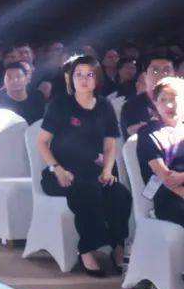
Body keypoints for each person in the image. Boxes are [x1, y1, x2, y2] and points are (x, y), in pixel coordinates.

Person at [36, 55, 131, 277]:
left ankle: (117, 246)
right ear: (71, 79)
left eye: (89, 74)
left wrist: (107, 170)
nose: (84, 79)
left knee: (120, 194)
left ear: (97, 78)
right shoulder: (60, 104)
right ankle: (86, 249)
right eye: (79, 75)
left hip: (93, 170)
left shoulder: (105, 106)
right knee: (89, 192)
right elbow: (41, 143)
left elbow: (110, 145)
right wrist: (57, 169)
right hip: (60, 172)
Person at [136, 77, 184, 227]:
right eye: (163, 100)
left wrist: (181, 176)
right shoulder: (148, 134)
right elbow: (168, 180)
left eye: (174, 98)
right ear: (155, 104)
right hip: (170, 199)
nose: (169, 104)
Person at [121, 51, 177, 137]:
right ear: (145, 75)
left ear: (174, 74)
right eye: (155, 71)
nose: (161, 75)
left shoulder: (180, 102)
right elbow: (136, 136)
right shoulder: (132, 106)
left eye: (167, 71)